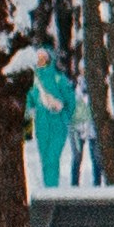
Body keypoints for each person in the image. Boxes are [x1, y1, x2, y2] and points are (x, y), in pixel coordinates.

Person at [26, 46, 75, 189]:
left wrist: (64, 117)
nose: (41, 61)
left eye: (43, 58)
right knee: (44, 158)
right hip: (41, 125)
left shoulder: (59, 78)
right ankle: (48, 189)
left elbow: (71, 101)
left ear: (49, 59)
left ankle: (52, 188)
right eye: (38, 59)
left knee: (53, 157)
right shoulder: (34, 80)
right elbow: (28, 101)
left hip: (58, 124)